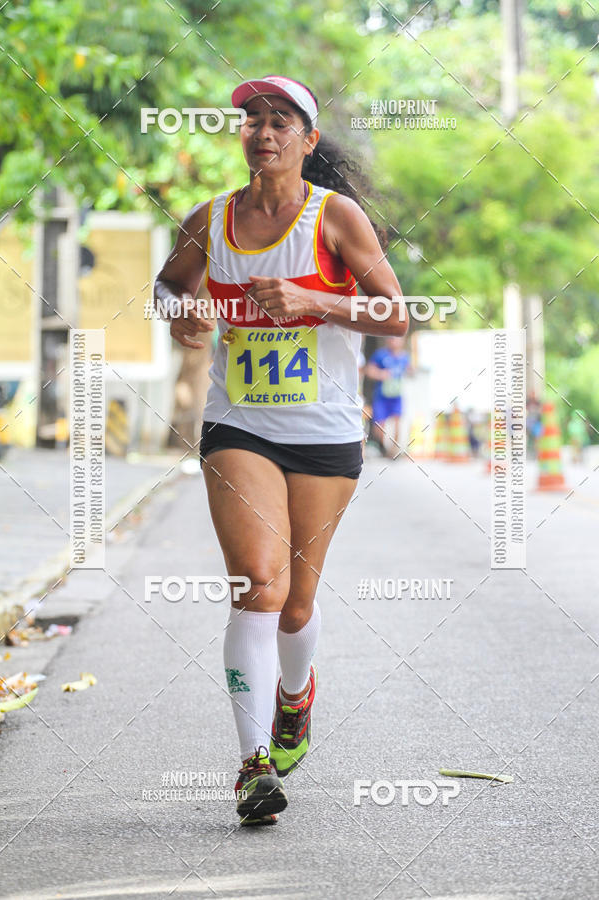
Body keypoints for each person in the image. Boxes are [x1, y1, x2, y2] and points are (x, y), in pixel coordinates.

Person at [154, 74, 407, 825]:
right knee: (258, 586)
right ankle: (253, 763)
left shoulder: (336, 218)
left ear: (307, 139)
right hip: (240, 427)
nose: (264, 131)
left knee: (296, 605)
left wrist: (316, 302)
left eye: (281, 120)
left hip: (326, 433)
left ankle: (296, 694)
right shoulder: (212, 219)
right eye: (253, 120)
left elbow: (395, 314)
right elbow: (167, 285)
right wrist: (181, 310)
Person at [365, 335, 410, 458]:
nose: (393, 341)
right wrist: (381, 374)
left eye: (396, 338)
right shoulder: (381, 355)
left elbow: (411, 371)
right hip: (381, 395)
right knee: (379, 426)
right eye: (391, 338)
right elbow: (369, 370)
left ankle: (394, 450)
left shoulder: (404, 357)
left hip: (396, 396)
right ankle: (384, 447)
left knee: (397, 422)